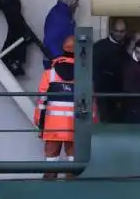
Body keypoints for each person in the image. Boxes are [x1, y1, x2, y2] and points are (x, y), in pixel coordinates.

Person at [33, 35, 96, 179]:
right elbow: (90, 103)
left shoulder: (50, 73)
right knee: (73, 170)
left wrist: (39, 123)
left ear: (63, 50)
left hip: (52, 127)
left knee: (50, 167)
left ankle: (48, 196)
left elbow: (42, 102)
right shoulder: (84, 75)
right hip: (75, 127)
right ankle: (70, 198)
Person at [42, 0, 79, 69]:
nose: (77, 6)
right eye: (76, 4)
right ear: (71, 3)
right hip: (56, 59)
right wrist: (60, 59)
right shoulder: (63, 18)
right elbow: (53, 39)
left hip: (53, 57)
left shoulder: (57, 12)